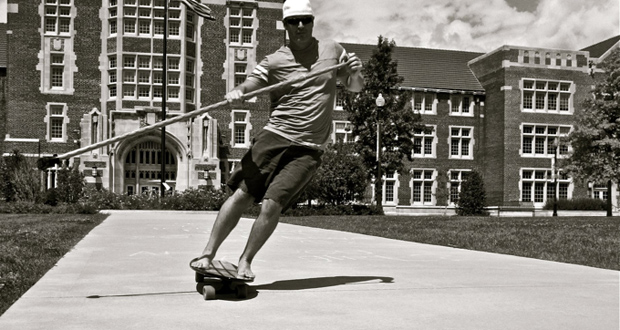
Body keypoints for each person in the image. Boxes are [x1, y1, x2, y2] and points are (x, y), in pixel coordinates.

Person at [190, 0, 364, 280]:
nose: (300, 26)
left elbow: (354, 86)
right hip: (275, 136)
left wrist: (355, 72)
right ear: (285, 26)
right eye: (293, 21)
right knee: (243, 195)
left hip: (309, 149)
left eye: (305, 20)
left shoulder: (332, 50)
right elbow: (251, 83)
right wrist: (238, 90)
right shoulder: (275, 60)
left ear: (312, 21)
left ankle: (245, 261)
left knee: (272, 204)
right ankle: (207, 253)